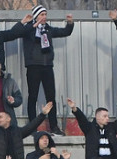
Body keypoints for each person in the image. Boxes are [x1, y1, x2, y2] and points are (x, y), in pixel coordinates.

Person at [19, 6, 75, 135]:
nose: (44, 17)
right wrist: (32, 26)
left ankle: (54, 126)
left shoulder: (48, 29)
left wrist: (70, 23)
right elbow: (19, 32)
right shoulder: (29, 29)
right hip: (33, 66)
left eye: (45, 14)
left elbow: (65, 32)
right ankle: (32, 127)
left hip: (47, 66)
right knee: (33, 96)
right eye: (41, 14)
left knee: (51, 97)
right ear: (36, 16)